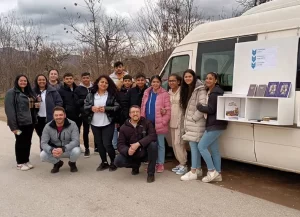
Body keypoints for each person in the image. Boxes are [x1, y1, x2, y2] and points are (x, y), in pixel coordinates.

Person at [196, 72, 228, 183]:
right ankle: (218, 174)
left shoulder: (214, 93)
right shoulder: (214, 91)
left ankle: (211, 171)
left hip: (215, 124)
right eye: (206, 78)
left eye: (211, 78)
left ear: (216, 80)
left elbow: (211, 109)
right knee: (215, 150)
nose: (208, 80)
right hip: (218, 124)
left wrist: (199, 107)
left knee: (201, 146)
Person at [84, 75, 120, 172]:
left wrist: (106, 109)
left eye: (106, 83)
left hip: (108, 122)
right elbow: (85, 106)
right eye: (102, 82)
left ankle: (113, 162)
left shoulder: (111, 94)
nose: (104, 84)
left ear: (109, 85)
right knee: (99, 144)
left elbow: (117, 107)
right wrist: (91, 108)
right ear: (97, 83)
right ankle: (104, 162)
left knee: (107, 144)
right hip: (95, 123)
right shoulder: (91, 94)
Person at [114, 105, 158, 183]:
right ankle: (135, 165)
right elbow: (120, 144)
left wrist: (138, 144)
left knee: (153, 145)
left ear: (140, 113)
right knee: (117, 161)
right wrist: (127, 151)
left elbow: (153, 135)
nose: (135, 114)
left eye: (137, 112)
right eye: (133, 112)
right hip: (132, 154)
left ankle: (151, 173)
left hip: (145, 152)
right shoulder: (123, 128)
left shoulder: (147, 123)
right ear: (130, 114)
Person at [5, 75, 37, 171]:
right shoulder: (12, 93)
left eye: (25, 81)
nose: (23, 82)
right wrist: (13, 127)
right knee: (20, 142)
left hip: (29, 123)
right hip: (19, 124)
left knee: (27, 142)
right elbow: (9, 110)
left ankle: (26, 160)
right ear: (17, 81)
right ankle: (20, 162)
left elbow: (32, 107)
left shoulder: (29, 92)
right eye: (21, 80)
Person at [180, 69, 207, 181]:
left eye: (189, 76)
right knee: (194, 146)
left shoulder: (200, 89)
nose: (187, 78)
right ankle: (198, 169)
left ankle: (193, 171)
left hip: (196, 122)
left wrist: (193, 118)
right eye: (185, 77)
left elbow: (203, 105)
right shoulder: (188, 88)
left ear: (194, 77)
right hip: (192, 123)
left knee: (194, 147)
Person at [141, 75, 171, 173]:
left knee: (160, 144)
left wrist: (163, 121)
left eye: (157, 82)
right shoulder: (147, 93)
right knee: (150, 145)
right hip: (148, 124)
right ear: (151, 83)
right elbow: (143, 107)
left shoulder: (164, 94)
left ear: (160, 83)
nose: (155, 84)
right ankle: (152, 164)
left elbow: (168, 110)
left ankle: (160, 163)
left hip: (159, 123)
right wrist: (142, 120)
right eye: (153, 82)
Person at [40, 106, 80, 173]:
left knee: (77, 150)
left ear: (65, 115)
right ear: (53, 116)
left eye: (61, 115)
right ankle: (57, 163)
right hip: (55, 150)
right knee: (42, 155)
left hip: (68, 149)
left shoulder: (72, 124)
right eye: (56, 115)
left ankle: (72, 163)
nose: (58, 117)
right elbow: (43, 143)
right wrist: (52, 150)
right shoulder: (47, 126)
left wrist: (63, 149)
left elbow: (76, 141)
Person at [33, 74, 63, 150]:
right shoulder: (33, 92)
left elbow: (59, 102)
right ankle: (43, 150)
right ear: (36, 81)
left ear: (46, 81)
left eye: (43, 80)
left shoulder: (52, 91)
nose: (41, 81)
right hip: (38, 117)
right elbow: (28, 104)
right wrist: (34, 105)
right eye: (39, 80)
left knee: (51, 135)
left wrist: (56, 111)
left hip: (50, 117)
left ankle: (53, 150)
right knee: (41, 135)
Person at [165, 74, 188, 175]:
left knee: (179, 143)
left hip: (180, 122)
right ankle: (180, 163)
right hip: (171, 122)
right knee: (174, 144)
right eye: (170, 81)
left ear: (178, 82)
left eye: (173, 81)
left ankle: (184, 164)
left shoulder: (183, 92)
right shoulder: (168, 93)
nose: (171, 83)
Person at [109, 61, 128, 151]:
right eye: (116, 67)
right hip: (115, 103)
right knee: (115, 127)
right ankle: (115, 146)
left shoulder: (128, 76)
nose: (118, 69)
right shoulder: (111, 77)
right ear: (114, 69)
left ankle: (124, 145)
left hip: (125, 104)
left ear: (123, 67)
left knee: (125, 127)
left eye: (120, 67)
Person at [74, 72, 93, 157]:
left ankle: (89, 148)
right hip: (80, 113)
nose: (86, 79)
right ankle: (79, 147)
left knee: (87, 131)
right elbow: (76, 102)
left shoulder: (94, 88)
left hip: (91, 113)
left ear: (90, 78)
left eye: (87, 77)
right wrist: (85, 100)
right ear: (81, 79)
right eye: (84, 78)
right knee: (77, 131)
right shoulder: (78, 89)